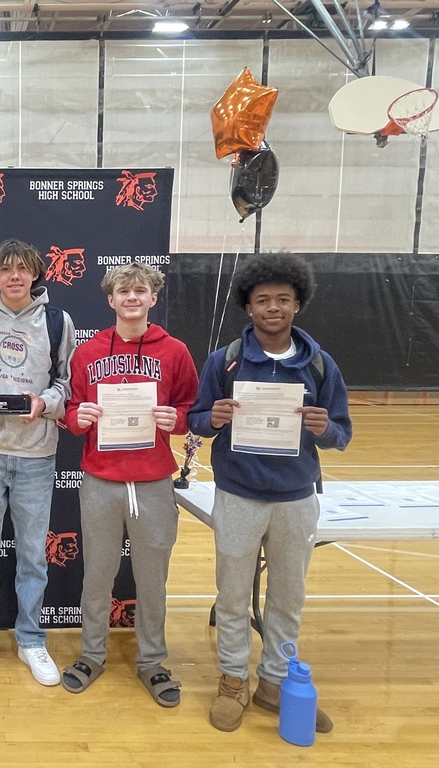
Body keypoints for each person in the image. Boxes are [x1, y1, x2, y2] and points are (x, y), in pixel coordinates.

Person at [188, 252, 351, 734]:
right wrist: (213, 418)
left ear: (298, 304)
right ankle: (233, 679)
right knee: (234, 596)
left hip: (297, 498)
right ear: (249, 307)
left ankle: (275, 683)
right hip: (238, 495)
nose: (273, 308)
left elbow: (342, 432)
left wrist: (325, 429)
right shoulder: (226, 361)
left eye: (283, 299)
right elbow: (196, 420)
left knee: (287, 598)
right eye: (264, 300)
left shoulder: (320, 364)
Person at [62, 261, 198, 705]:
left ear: (152, 298)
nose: (132, 298)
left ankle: (153, 661)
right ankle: (92, 654)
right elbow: (72, 412)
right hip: (101, 480)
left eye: (140, 290)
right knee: (97, 574)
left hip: (154, 481)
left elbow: (192, 412)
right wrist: (76, 418)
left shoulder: (174, 351)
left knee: (151, 577)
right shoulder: (87, 352)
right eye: (124, 292)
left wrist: (175, 419)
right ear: (111, 300)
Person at [0, 238, 77, 686]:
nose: (15, 276)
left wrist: (43, 402)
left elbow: (68, 383)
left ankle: (30, 639)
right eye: (6, 269)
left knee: (31, 554)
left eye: (23, 268)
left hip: (37, 455)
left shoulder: (59, 321)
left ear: (36, 273)